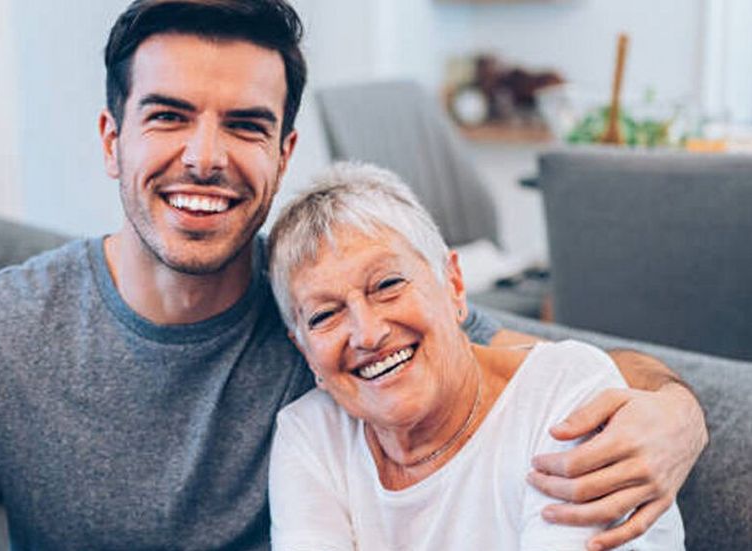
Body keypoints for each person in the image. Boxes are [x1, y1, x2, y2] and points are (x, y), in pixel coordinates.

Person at [0, 1, 706, 550]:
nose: (205, 158)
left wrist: (676, 412)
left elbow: (535, 364)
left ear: (283, 152)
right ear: (113, 139)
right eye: (169, 116)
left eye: (245, 125)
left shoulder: (330, 314)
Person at [266, 162, 685, 550]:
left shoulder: (568, 394)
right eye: (324, 314)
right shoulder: (309, 433)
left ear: (454, 285)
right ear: (304, 349)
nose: (368, 333)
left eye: (388, 284)